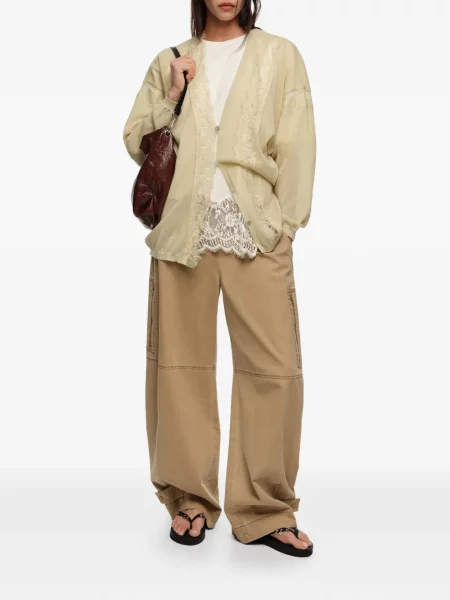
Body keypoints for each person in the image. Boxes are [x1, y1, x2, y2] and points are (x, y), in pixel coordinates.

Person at [123, 0, 316, 557]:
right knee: (180, 367)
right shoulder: (172, 59)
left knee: (274, 369)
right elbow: (136, 140)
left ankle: (266, 509)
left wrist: (286, 226)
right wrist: (172, 94)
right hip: (183, 232)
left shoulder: (280, 55)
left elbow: (298, 141)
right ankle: (189, 499)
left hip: (257, 231)